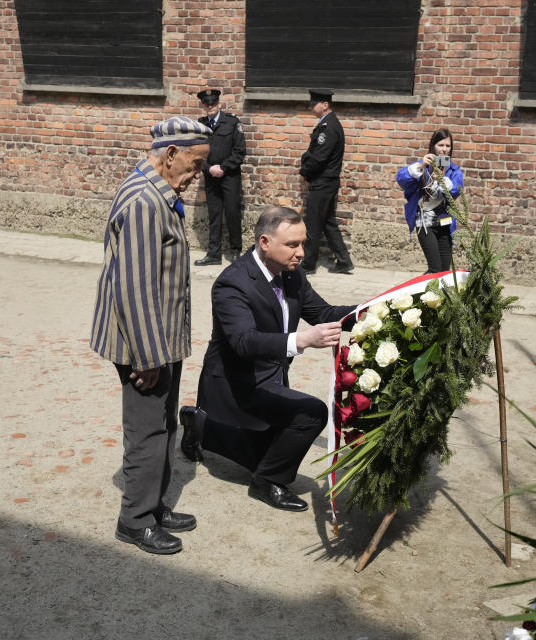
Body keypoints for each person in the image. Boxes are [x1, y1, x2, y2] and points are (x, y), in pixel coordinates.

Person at [179, 206, 356, 512]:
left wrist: (376, 310)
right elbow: (243, 342)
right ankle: (268, 482)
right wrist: (301, 340)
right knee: (312, 413)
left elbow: (325, 314)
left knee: (265, 447)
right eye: (292, 245)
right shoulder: (232, 283)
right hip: (235, 386)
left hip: (269, 380)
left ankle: (200, 425)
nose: (301, 253)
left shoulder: (292, 276)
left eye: (303, 243)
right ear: (264, 242)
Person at [89, 116, 211, 555]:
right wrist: (147, 358)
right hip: (145, 343)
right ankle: (134, 520)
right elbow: (135, 288)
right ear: (171, 154)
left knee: (162, 423)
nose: (196, 177)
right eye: (195, 165)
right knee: (147, 429)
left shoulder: (157, 191)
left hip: (160, 337)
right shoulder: (145, 201)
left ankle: (154, 505)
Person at [299, 89, 354, 275]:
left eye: (314, 103)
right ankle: (344, 261)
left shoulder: (328, 127)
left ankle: (307, 264)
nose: (311, 107)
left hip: (322, 182)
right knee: (327, 222)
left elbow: (319, 158)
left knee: (313, 224)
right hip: (327, 182)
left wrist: (305, 172)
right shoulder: (327, 125)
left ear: (325, 104)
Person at [396, 128, 464, 273]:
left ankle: (437, 295)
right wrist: (421, 167)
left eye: (448, 146)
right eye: (441, 145)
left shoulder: (454, 171)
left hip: (444, 223)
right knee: (434, 269)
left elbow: (456, 192)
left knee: (444, 271)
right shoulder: (422, 166)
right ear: (433, 145)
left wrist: (442, 177)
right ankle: (417, 294)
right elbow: (401, 179)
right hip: (425, 223)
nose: (444, 150)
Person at [194, 88, 247, 266]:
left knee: (232, 213)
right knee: (214, 215)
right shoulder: (200, 126)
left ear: (219, 103)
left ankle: (235, 252)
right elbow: (196, 153)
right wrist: (209, 169)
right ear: (203, 105)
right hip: (210, 177)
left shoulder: (231, 122)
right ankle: (213, 254)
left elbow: (240, 151)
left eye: (213, 103)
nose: (210, 106)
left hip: (230, 176)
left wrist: (223, 168)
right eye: (207, 104)